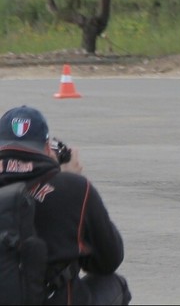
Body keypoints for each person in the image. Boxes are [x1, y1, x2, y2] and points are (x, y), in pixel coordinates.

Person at [0, 106, 130, 305]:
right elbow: (109, 259)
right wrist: (66, 177)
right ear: (46, 149)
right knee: (114, 284)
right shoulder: (74, 188)